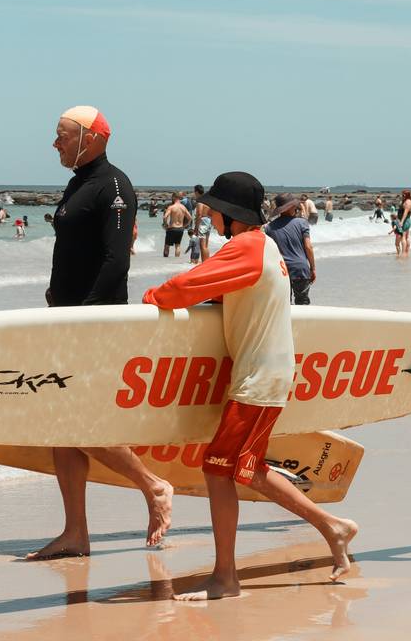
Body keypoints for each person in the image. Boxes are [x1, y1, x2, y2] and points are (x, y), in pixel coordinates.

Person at [143, 171, 357, 599]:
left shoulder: (244, 247)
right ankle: (334, 528)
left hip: (258, 381)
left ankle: (226, 578)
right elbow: (226, 291)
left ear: (230, 215)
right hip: (267, 375)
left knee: (217, 470)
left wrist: (150, 301)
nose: (212, 216)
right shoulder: (265, 245)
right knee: (248, 471)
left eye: (217, 210)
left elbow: (182, 287)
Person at [34, 105, 172, 561]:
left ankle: (153, 486)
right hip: (69, 316)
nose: (54, 143)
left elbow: (117, 260)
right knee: (61, 425)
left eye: (61, 136)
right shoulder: (79, 183)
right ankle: (75, 532)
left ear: (90, 138)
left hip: (94, 321)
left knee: (77, 420)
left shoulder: (114, 185)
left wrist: (88, 315)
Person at [266, 193, 316, 305]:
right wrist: (312, 268)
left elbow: (269, 252)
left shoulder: (270, 228)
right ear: (291, 207)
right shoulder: (302, 223)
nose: (296, 207)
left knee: (284, 306)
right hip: (300, 269)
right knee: (302, 303)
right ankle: (303, 323)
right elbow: (308, 247)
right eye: (294, 205)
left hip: (281, 271)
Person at [161, 193, 190, 257]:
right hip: (180, 229)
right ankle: (176, 262)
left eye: (172, 197)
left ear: (174, 197)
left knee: (167, 246)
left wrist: (166, 225)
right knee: (178, 246)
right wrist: (184, 225)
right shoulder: (183, 207)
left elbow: (165, 217)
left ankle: (165, 261)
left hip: (172, 228)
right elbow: (190, 218)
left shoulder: (171, 207)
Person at [193, 184, 214, 261]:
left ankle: (204, 264)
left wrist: (196, 228)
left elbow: (199, 214)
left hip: (203, 222)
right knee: (205, 245)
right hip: (208, 221)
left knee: (202, 245)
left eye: (194, 192)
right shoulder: (207, 201)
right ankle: (206, 262)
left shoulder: (200, 202)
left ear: (197, 192)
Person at [397, 190, 411, 255]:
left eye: (404, 194)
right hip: (407, 220)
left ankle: (403, 252)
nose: (402, 196)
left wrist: (401, 222)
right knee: (406, 237)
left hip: (405, 221)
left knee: (403, 237)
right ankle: (406, 251)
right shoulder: (408, 201)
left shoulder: (407, 202)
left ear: (407, 195)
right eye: (402, 194)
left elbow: (405, 213)